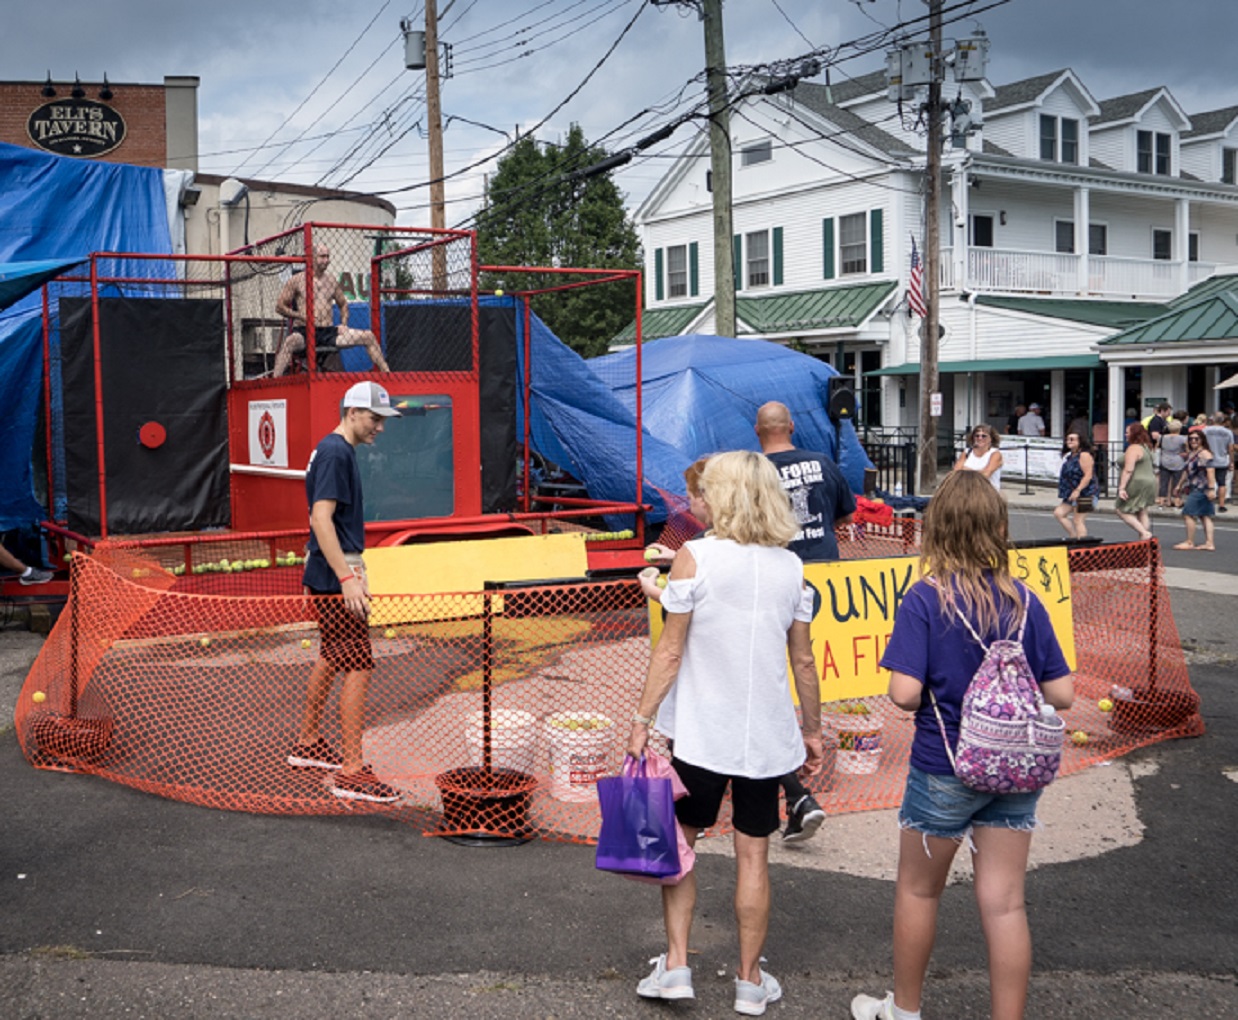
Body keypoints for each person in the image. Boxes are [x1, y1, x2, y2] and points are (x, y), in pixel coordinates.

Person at [850, 470, 1074, 1020]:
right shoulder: (1025, 601)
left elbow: (903, 694)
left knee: (920, 891)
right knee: (1004, 904)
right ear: (999, 529)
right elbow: (1063, 693)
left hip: (944, 767)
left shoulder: (926, 599)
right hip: (1014, 770)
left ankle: (904, 1010)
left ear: (935, 531)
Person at [626, 450, 824, 1015]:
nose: (699, 501)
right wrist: (812, 729)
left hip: (700, 732)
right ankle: (748, 978)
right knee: (754, 857)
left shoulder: (694, 557)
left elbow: (671, 648)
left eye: (708, 491)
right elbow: (803, 661)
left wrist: (641, 720)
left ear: (728, 497)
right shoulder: (790, 567)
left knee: (682, 846)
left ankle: (678, 964)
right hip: (764, 738)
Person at [288, 381, 402, 802]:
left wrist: (318, 570)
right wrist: (347, 577)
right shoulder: (337, 452)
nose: (379, 428)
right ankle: (352, 769)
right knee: (358, 663)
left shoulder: (331, 449)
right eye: (374, 418)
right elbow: (322, 519)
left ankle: (308, 742)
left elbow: (319, 523)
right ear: (352, 412)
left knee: (333, 654)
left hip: (325, 570)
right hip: (338, 573)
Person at [756, 400, 854, 842]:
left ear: (758, 431)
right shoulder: (822, 462)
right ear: (792, 426)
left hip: (774, 577)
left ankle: (793, 769)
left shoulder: (753, 471)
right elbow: (846, 514)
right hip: (823, 574)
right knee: (814, 663)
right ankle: (818, 743)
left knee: (772, 674)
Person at [272, 245, 391, 377]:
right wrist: (299, 315)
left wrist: (344, 324)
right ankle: (273, 381)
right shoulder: (297, 280)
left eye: (328, 257)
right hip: (304, 331)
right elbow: (279, 306)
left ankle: (388, 376)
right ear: (312, 258)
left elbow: (343, 304)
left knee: (368, 336)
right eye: (323, 257)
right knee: (290, 342)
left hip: (328, 332)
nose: (327, 260)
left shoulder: (331, 281)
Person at [1174, 428, 1217, 551]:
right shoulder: (1193, 453)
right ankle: (1209, 543)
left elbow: (1210, 472)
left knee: (1188, 513)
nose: (1193, 441)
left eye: (1196, 439)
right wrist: (1179, 485)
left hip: (1201, 488)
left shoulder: (1204, 454)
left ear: (1202, 440)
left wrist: (1211, 489)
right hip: (1195, 487)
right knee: (1204, 515)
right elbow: (1187, 471)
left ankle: (1189, 541)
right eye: (1191, 438)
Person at [1114, 422, 1156, 542]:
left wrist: (1122, 488)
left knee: (1121, 509)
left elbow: (1128, 469)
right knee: (1142, 510)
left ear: (1134, 434)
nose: (1125, 435)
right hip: (1149, 481)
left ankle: (1144, 533)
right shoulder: (1146, 447)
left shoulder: (1133, 448)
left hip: (1136, 482)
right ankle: (1144, 539)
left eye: (1127, 432)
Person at [1052, 430, 1097, 539]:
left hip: (1085, 492)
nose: (1069, 442)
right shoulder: (1070, 456)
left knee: (1078, 520)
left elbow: (1088, 475)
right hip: (1071, 493)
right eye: (1067, 439)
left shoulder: (1084, 455)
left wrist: (1078, 490)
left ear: (1080, 441)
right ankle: (1073, 536)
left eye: (1072, 439)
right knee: (1059, 513)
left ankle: (1082, 545)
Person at [952, 424, 1003, 490]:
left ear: (991, 439)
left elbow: (986, 474)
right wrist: (980, 471)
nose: (980, 438)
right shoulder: (967, 452)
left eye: (984, 436)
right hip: (966, 490)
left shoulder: (995, 454)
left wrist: (965, 469)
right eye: (977, 436)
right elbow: (956, 472)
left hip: (988, 492)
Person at [1202, 413, 1234, 512]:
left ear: (1213, 420)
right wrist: (1231, 461)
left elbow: (1201, 444)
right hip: (1222, 460)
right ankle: (1221, 505)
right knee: (1222, 483)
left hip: (1208, 460)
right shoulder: (1228, 432)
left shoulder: (1205, 430)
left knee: (1207, 483)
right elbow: (1231, 449)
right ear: (1223, 421)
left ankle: (1207, 503)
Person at [1156, 418, 1187, 508]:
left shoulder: (1162, 437)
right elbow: (1187, 449)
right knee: (1177, 483)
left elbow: (1157, 447)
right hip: (1178, 461)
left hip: (1164, 460)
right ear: (1179, 428)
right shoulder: (1183, 438)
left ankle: (1161, 502)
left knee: (1164, 482)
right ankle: (1177, 501)